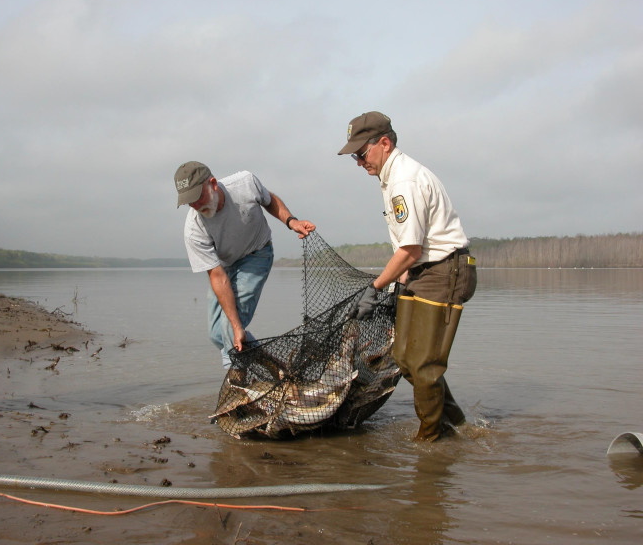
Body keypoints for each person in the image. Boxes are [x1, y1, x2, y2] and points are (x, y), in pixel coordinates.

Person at [339, 111, 477, 442]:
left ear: (384, 143)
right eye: (355, 156)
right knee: (403, 358)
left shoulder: (403, 181)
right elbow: (410, 249)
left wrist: (375, 286)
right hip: (420, 272)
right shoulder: (392, 177)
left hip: (445, 272)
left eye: (362, 153)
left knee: (425, 366)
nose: (359, 162)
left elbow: (411, 249)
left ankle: (429, 443)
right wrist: (400, 279)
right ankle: (457, 426)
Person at [174, 161, 316, 369]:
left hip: (256, 254)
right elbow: (217, 275)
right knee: (217, 335)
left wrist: (291, 222)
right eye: (189, 202)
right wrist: (235, 326)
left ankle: (240, 379)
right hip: (223, 267)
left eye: (197, 197)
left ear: (213, 184)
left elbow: (269, 200)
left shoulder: (244, 183)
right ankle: (275, 368)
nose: (195, 206)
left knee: (230, 329)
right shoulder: (194, 229)